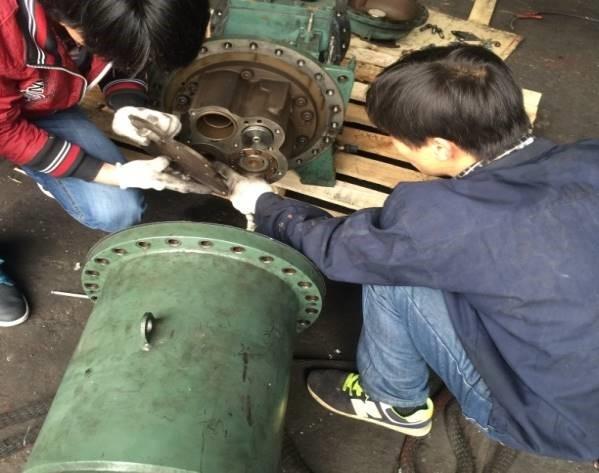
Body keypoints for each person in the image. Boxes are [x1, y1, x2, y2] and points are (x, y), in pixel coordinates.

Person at [221, 44, 599, 462]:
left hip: (552, 420)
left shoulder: (439, 218)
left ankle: (394, 399)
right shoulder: (588, 159)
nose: (396, 148)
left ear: (441, 147)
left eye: (397, 140)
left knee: (393, 273)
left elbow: (341, 249)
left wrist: (265, 205)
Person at [0, 0, 211, 327]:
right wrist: (109, 173)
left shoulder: (96, 12)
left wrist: (128, 105)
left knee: (118, 210)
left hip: (40, 97)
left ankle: (48, 164)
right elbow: (5, 130)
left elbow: (125, 46)